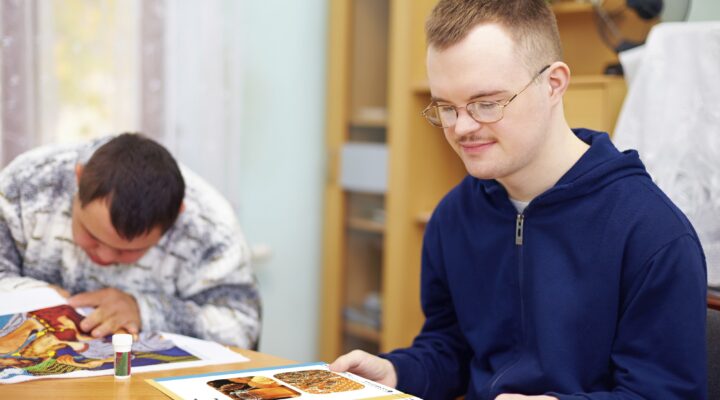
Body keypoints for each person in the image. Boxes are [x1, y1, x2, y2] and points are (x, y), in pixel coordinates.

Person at [330, 0, 707, 399]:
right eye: (446, 107)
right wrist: (397, 372)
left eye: (486, 104)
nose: (462, 128)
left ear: (554, 84)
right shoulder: (454, 216)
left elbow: (665, 392)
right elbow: (453, 349)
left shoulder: (652, 234)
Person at [0, 133, 261, 349]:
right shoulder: (29, 184)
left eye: (129, 251)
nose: (105, 257)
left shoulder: (208, 224)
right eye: (91, 235)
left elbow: (242, 327)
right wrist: (29, 295)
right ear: (78, 180)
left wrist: (146, 311)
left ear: (176, 218)